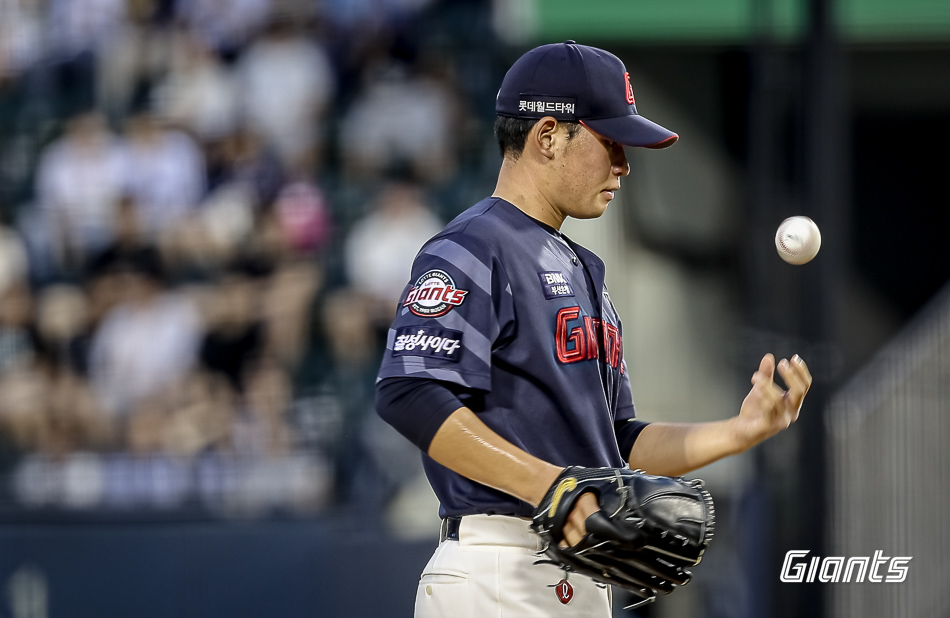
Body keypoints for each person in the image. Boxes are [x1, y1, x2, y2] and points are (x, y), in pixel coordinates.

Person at [374, 41, 812, 617]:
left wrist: (738, 431)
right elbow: (409, 392)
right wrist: (550, 487)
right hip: (496, 571)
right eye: (611, 142)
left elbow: (616, 443)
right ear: (548, 135)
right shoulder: (473, 248)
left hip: (576, 575)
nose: (625, 166)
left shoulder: (584, 269)